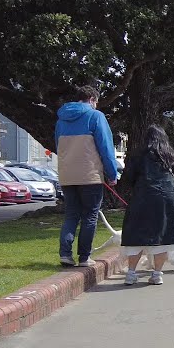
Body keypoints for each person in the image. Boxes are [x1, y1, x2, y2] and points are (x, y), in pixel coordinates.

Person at [120, 125, 174, 285]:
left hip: (143, 197)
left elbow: (128, 178)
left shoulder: (138, 155)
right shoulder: (170, 155)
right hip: (168, 197)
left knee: (136, 235)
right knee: (163, 236)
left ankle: (130, 274)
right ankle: (157, 274)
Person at [55, 85, 120, 267]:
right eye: (96, 102)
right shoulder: (95, 116)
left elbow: (58, 146)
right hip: (90, 175)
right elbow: (106, 148)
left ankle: (65, 254)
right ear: (92, 99)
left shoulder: (61, 120)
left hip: (67, 174)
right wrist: (112, 174)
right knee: (90, 215)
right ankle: (84, 257)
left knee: (71, 215)